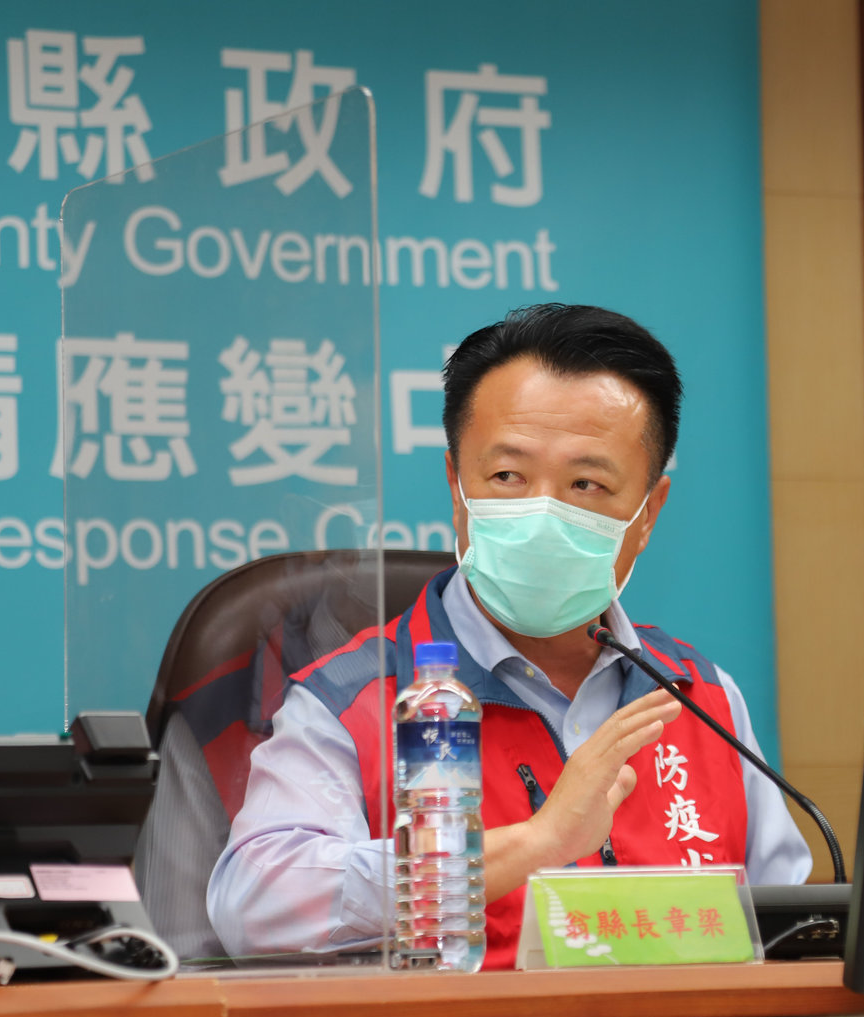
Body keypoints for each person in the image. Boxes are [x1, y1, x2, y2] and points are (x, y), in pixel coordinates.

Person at [206, 303, 811, 969]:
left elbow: (793, 932)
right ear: (456, 485)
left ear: (648, 513)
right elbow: (255, 906)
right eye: (507, 477)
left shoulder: (701, 698)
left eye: (587, 483)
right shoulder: (354, 702)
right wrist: (534, 844)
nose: (542, 512)